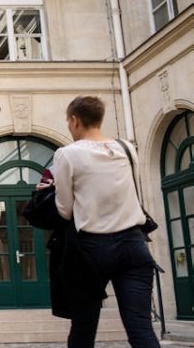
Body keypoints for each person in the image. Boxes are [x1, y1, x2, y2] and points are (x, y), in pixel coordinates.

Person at [49, 95, 159, 348]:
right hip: (133, 245)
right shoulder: (126, 148)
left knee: (84, 329)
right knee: (141, 328)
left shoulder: (66, 154)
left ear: (75, 120)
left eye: (68, 122)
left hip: (92, 249)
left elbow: (64, 209)